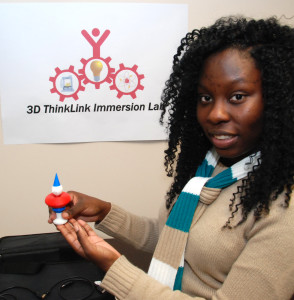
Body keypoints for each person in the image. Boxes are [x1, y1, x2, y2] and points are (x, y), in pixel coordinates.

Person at [49, 16, 294, 299]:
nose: (215, 114)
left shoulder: (283, 207)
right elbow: (173, 240)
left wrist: (114, 269)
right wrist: (105, 212)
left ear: (278, 100)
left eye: (237, 96)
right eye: (205, 98)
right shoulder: (209, 167)